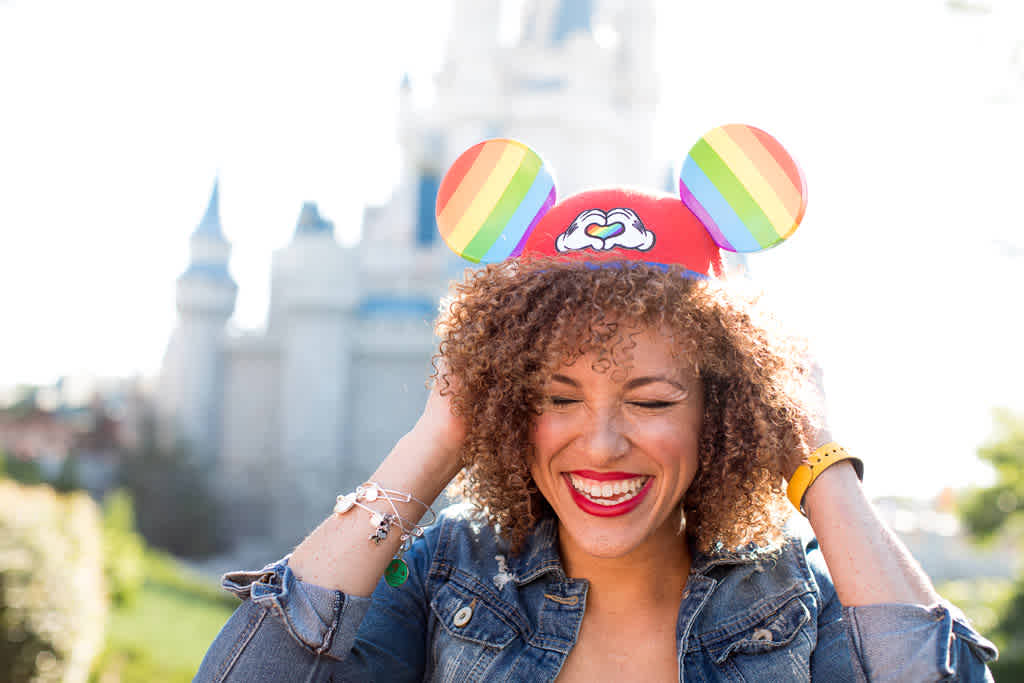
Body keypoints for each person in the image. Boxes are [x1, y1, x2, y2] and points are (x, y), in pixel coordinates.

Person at [195, 134, 998, 681]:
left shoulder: (790, 605)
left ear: (720, 408)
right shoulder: (445, 579)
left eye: (650, 398)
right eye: (557, 396)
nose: (603, 442)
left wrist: (816, 453)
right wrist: (435, 437)